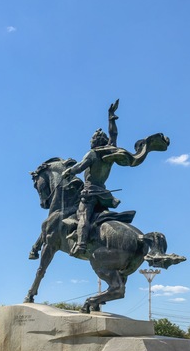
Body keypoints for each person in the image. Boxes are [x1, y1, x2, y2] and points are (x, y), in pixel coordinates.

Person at [63, 100, 168, 255]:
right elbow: (113, 135)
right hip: (104, 195)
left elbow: (80, 167)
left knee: (84, 216)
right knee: (99, 216)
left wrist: (69, 171)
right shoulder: (109, 152)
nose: (90, 141)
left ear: (95, 141)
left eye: (91, 139)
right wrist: (111, 118)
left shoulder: (93, 153)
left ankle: (81, 243)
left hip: (90, 193)